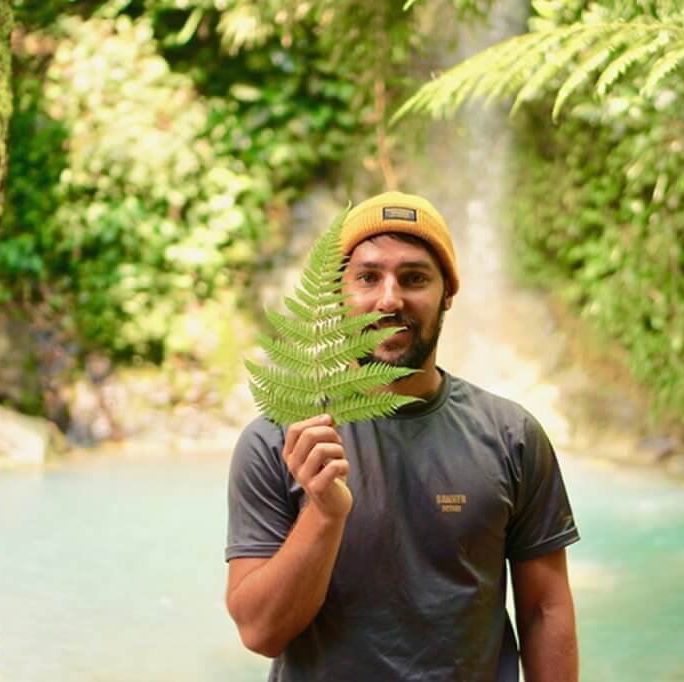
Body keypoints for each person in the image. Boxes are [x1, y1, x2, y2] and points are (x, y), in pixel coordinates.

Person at [225, 191, 580, 681]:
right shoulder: (279, 441)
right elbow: (260, 632)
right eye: (368, 277)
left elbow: (545, 609)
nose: (389, 299)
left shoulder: (511, 436)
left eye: (413, 278)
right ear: (337, 295)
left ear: (447, 294)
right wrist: (324, 514)